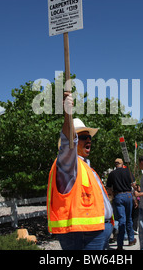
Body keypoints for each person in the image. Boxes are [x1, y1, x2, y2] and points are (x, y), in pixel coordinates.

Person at [47, 92, 114, 250]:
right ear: (74, 140)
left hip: (94, 233)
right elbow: (67, 144)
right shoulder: (68, 163)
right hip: (82, 235)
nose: (89, 139)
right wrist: (67, 114)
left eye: (90, 136)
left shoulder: (86, 167)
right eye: (83, 136)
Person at [106, 158, 137, 250]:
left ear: (115, 164)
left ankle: (120, 244)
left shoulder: (112, 174)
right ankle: (131, 239)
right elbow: (134, 184)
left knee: (121, 220)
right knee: (129, 219)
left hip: (118, 196)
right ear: (122, 163)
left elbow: (108, 188)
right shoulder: (128, 171)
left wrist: (113, 194)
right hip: (128, 195)